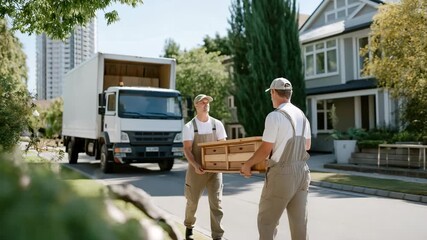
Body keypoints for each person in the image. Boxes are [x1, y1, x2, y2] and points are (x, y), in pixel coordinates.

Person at [240, 77, 312, 240]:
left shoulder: (274, 116)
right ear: (290, 93)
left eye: (271, 93)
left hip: (282, 174)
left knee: (266, 222)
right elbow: (307, 145)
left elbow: (265, 150)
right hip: (302, 172)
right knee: (299, 223)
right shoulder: (302, 115)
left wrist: (247, 164)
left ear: (273, 92)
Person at [182, 94, 227, 240]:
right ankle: (189, 227)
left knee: (217, 204)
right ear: (196, 105)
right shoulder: (189, 127)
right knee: (192, 202)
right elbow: (187, 149)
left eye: (207, 102)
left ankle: (217, 236)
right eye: (202, 102)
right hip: (196, 170)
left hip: (215, 171)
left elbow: (223, 146)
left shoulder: (217, 124)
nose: (206, 104)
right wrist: (195, 165)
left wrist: (222, 165)